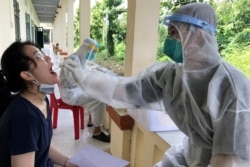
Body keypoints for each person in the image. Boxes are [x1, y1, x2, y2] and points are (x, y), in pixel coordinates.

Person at [62, 2, 250, 167]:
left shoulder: (231, 86)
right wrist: (85, 78)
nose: (169, 41)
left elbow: (230, 158)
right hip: (190, 156)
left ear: (198, 35)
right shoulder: (170, 74)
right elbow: (124, 91)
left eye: (175, 33)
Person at [0, 41, 78, 167]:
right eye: (38, 56)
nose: (48, 58)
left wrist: (67, 161)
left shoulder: (41, 98)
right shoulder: (24, 117)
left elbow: (42, 146)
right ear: (27, 75)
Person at [59, 38, 110, 143]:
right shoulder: (73, 60)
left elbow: (83, 73)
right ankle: (97, 131)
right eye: (92, 52)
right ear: (85, 49)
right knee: (98, 99)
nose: (92, 55)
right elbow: (72, 80)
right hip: (70, 94)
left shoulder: (81, 59)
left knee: (95, 91)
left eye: (95, 52)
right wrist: (85, 76)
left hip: (76, 90)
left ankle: (91, 121)